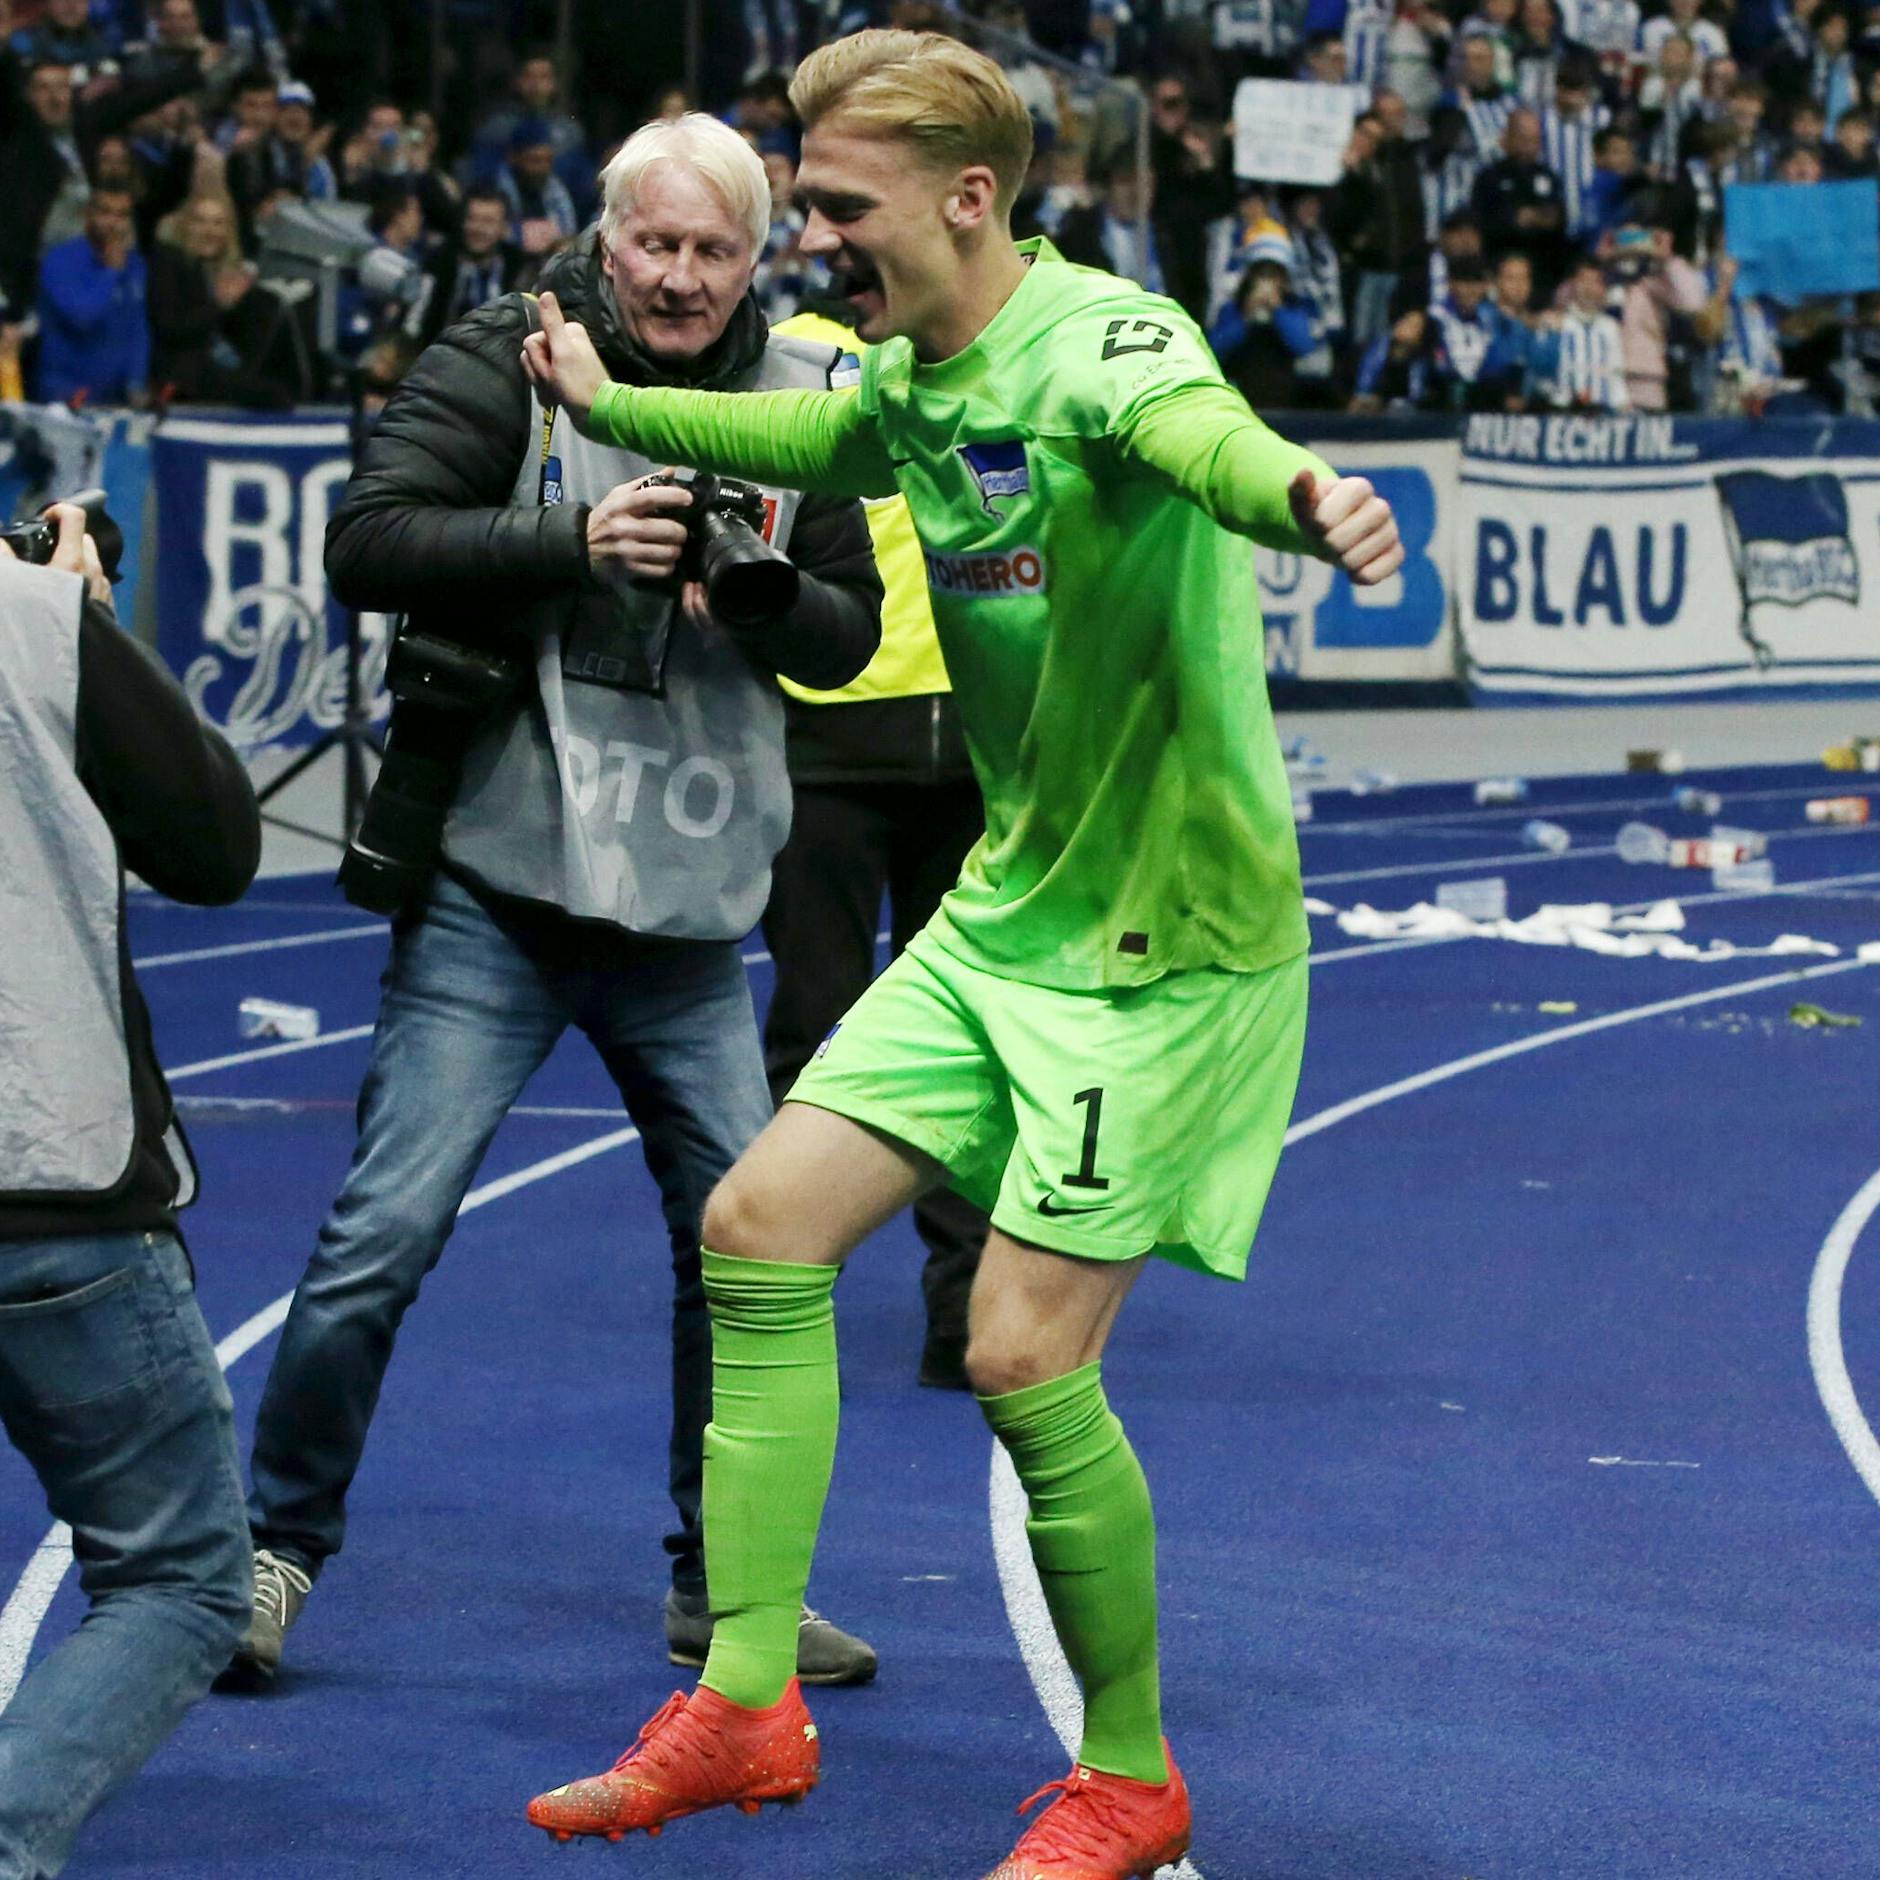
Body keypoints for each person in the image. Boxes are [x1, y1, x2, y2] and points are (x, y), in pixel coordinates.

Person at [519, 28, 1401, 1877]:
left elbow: (1203, 441)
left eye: (840, 207)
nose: (816, 238)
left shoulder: (1106, 342)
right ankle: (749, 1706)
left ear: (969, 198)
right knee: (758, 1226)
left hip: (1168, 956)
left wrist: (1307, 498)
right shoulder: (914, 377)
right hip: (1015, 916)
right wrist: (611, 391)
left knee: (1017, 1357)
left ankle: (1132, 1777)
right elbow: (796, 431)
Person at [226, 110, 882, 1694]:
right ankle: (259, 1555)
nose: (677, 276)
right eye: (651, 243)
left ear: (760, 256)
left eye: (711, 249)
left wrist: (769, 591)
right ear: (602, 239)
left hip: (688, 911)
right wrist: (568, 539)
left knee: (753, 1251)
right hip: (500, 891)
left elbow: (850, 637)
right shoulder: (502, 351)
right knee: (384, 1230)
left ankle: (728, 1587)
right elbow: (366, 541)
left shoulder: (810, 398)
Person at [0, 501, 260, 1878]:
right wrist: (79, 616)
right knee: (175, 1577)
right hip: (50, 1184)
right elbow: (216, 846)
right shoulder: (33, 617)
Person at [762, 291, 990, 1392]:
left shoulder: (1004, 340)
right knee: (809, 1026)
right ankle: (768, 1287)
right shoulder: (795, 350)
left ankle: (963, 1310)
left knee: (966, 1041)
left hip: (979, 741)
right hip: (824, 739)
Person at [33, 183, 149, 403]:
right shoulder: (60, 260)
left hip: (115, 397)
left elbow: (138, 327)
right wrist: (110, 272)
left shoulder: (135, 264)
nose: (114, 223)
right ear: (88, 213)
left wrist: (136, 380)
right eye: (105, 212)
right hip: (65, 393)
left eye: (122, 215)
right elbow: (82, 318)